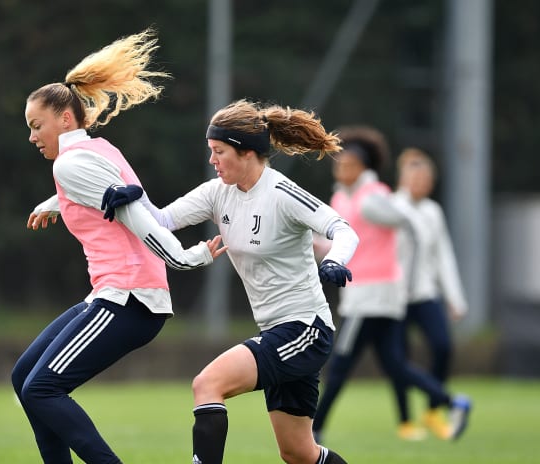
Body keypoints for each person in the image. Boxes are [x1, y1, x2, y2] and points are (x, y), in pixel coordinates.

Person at [11, 28, 228, 464]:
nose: (33, 137)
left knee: (41, 388)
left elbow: (134, 213)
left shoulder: (72, 164)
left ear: (65, 120)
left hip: (129, 299)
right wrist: (55, 202)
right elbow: (115, 196)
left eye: (38, 126)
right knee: (24, 380)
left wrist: (187, 257)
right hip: (118, 295)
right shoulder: (98, 150)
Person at [104, 99, 357, 464]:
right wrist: (132, 197)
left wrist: (335, 261)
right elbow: (161, 220)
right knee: (299, 453)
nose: (213, 161)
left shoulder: (281, 193)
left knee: (208, 384)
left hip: (306, 328)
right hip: (277, 329)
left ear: (247, 151)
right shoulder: (216, 193)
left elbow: (342, 229)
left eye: (219, 151)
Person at [310, 126, 471, 444]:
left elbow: (409, 225)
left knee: (340, 365)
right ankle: (453, 402)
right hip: (368, 296)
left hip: (371, 297)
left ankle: (314, 429)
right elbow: (340, 245)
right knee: (396, 366)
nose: (340, 168)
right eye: (338, 164)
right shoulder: (344, 198)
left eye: (347, 164)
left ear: (364, 168)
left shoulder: (372, 200)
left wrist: (407, 282)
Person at [391, 147, 469, 439]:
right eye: (415, 178)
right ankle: (405, 421)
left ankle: (433, 409)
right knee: (398, 358)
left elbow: (443, 257)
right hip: (394, 297)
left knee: (443, 345)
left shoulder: (433, 212)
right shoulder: (390, 206)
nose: (421, 184)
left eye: (426, 180)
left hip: (425, 293)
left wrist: (455, 298)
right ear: (403, 179)